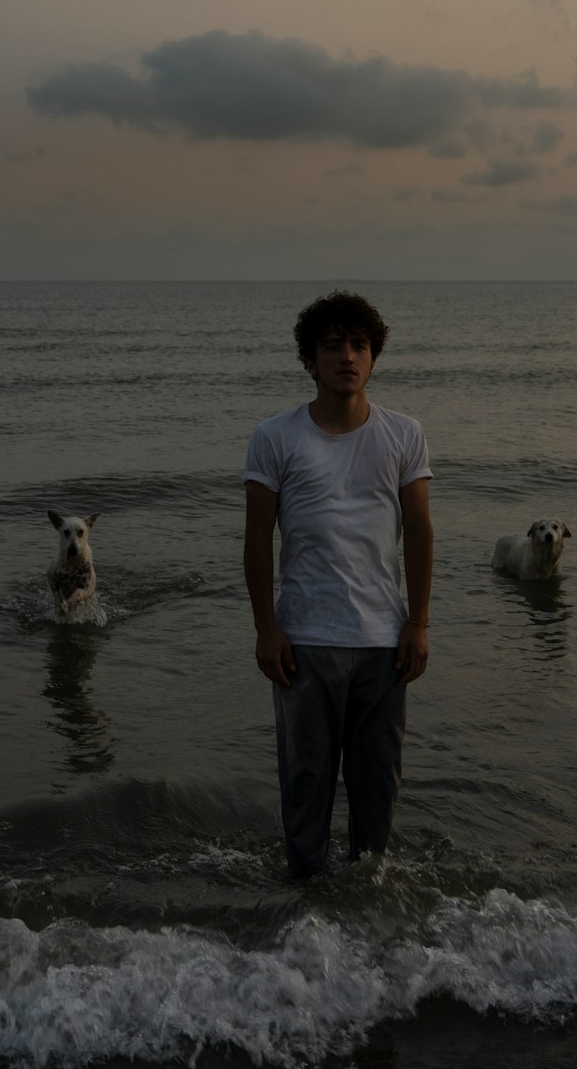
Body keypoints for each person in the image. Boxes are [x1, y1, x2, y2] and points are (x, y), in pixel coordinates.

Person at [243, 290, 434, 877]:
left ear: (374, 357)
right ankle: (305, 916)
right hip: (304, 643)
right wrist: (267, 629)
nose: (346, 357)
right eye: (332, 347)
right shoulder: (275, 437)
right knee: (305, 788)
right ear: (310, 360)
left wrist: (419, 623)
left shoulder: (403, 434)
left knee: (377, 790)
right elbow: (256, 540)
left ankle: (368, 914)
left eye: (358, 346)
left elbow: (421, 531)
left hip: (383, 643)